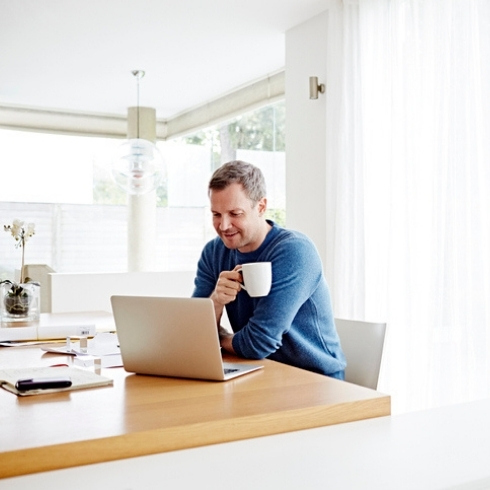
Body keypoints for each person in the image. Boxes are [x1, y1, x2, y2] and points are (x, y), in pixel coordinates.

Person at [192, 160, 346, 379]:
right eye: (216, 214)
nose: (224, 226)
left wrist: (221, 339)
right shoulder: (214, 252)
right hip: (260, 372)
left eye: (235, 213)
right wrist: (215, 301)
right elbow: (194, 334)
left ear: (261, 207)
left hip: (315, 379)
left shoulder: (294, 251)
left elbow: (258, 343)